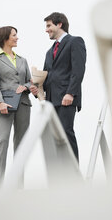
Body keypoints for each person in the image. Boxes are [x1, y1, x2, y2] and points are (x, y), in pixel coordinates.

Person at [0, 26, 37, 189]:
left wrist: (26, 86)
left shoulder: (22, 60)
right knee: (2, 141)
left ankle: (17, 187)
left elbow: (30, 81)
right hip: (5, 105)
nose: (17, 38)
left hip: (23, 104)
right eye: (14, 35)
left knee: (21, 143)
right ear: (5, 38)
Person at [43, 12, 86, 161]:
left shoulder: (75, 42)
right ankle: (60, 177)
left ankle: (73, 177)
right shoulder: (49, 52)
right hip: (50, 100)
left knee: (66, 133)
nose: (46, 29)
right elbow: (47, 76)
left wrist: (71, 93)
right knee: (55, 139)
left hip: (66, 97)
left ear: (59, 24)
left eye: (49, 25)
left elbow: (78, 70)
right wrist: (36, 88)